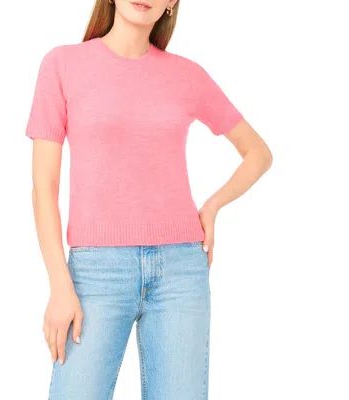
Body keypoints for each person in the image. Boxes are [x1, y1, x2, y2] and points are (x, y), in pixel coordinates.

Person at [25, 0, 272, 398]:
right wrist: (59, 285)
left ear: (172, 3)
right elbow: (44, 187)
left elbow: (258, 153)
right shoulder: (62, 65)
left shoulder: (187, 76)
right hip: (95, 274)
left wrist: (212, 207)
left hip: (181, 271)